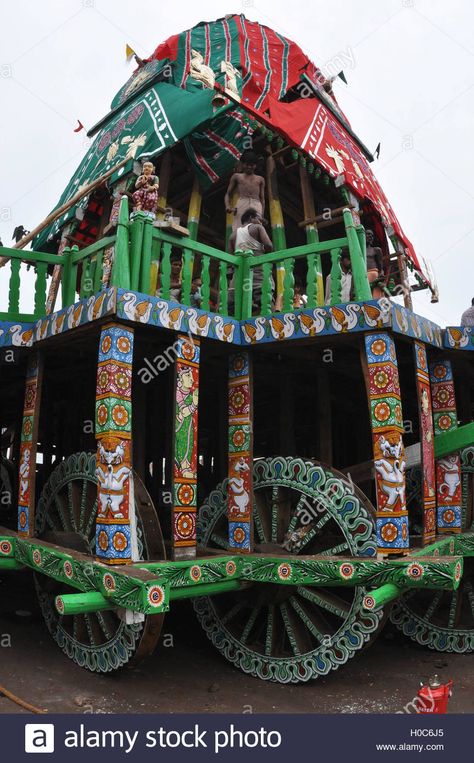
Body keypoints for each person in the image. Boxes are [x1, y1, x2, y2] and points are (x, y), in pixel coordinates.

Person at [228, 208, 273, 313]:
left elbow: (231, 258)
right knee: (266, 304)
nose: (260, 222)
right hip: (259, 274)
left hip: (239, 278)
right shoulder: (257, 227)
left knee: (232, 307)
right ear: (251, 218)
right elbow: (269, 245)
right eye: (259, 219)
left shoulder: (232, 235)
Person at [225, 151, 265, 231]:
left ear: (256, 165)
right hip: (242, 203)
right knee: (239, 229)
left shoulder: (260, 179)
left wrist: (262, 215)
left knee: (255, 230)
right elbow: (228, 194)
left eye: (252, 165)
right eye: (247, 164)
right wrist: (227, 206)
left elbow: (262, 199)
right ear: (242, 164)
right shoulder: (237, 177)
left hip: (256, 204)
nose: (249, 167)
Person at [365, 229, 385, 299]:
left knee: (376, 297)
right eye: (368, 234)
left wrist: (381, 274)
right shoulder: (358, 250)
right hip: (362, 274)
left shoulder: (376, 250)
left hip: (373, 273)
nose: (370, 236)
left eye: (372, 235)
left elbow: (380, 265)